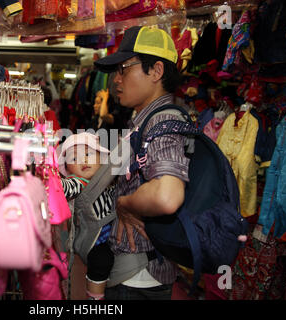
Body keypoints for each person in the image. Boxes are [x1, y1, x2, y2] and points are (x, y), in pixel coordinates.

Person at [93, 26, 188, 300]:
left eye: (124, 69)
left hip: (139, 278)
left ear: (156, 71)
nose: (116, 80)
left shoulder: (162, 121)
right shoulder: (146, 120)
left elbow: (167, 195)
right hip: (135, 273)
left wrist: (125, 204)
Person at [58, 132, 115, 300]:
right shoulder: (79, 183)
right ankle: (94, 296)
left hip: (109, 235)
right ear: (67, 168)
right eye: (74, 159)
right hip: (94, 240)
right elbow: (65, 188)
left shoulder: (107, 180)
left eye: (89, 154)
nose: (83, 161)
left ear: (101, 159)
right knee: (101, 260)